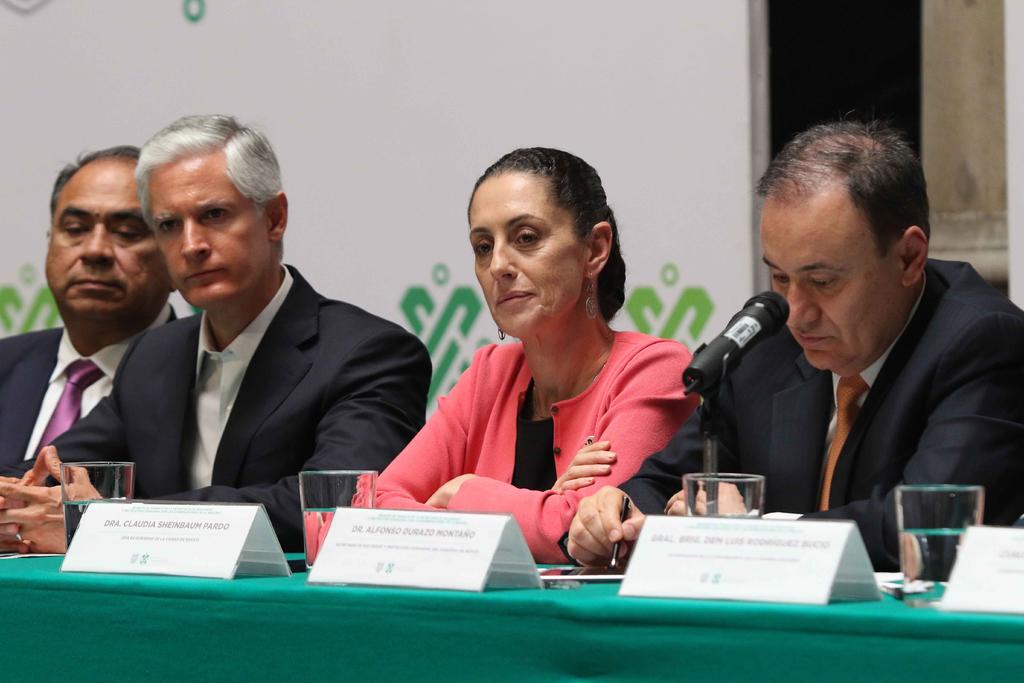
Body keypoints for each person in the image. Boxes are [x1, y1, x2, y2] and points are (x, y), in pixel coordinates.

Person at [568, 120, 1024, 570]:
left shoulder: (984, 342)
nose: (797, 312)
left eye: (822, 281)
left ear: (908, 257)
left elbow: (929, 526)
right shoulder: (767, 339)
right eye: (780, 276)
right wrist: (619, 515)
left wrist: (754, 535)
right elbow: (664, 481)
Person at [0, 115, 431, 553]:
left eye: (214, 215)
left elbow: (331, 506)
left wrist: (109, 522)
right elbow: (56, 470)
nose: (191, 245)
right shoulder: (154, 352)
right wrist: (11, 498)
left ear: (274, 218)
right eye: (169, 225)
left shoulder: (370, 353)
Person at [375, 147, 697, 563]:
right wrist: (545, 505)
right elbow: (379, 506)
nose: (498, 265)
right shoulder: (488, 374)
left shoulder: (654, 369)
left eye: (526, 238)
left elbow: (592, 534)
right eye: (483, 246)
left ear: (595, 249)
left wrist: (463, 490)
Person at [0, 146, 173, 466]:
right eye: (75, 229)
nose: (95, 251)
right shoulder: (6, 363)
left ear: (174, 255)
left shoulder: (201, 377)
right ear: (50, 241)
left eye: (127, 232)